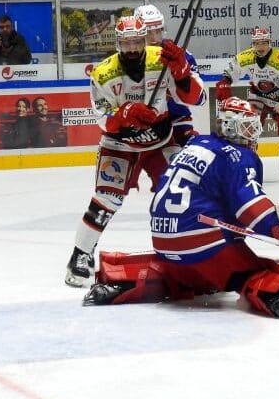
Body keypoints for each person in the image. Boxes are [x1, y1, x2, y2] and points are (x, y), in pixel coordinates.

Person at [81, 96, 279, 320]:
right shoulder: (238, 156)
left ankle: (121, 278)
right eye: (248, 128)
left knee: (189, 277)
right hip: (203, 244)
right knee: (250, 272)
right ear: (232, 127)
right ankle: (277, 296)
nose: (252, 135)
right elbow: (249, 205)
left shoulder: (195, 143)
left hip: (163, 242)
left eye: (254, 128)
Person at [65, 16, 205, 288]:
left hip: (160, 139)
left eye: (136, 41)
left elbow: (198, 99)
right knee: (106, 198)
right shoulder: (103, 73)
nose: (132, 47)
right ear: (117, 43)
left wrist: (183, 74)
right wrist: (126, 113)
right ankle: (80, 254)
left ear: (144, 39)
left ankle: (190, 250)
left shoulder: (162, 58)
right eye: (126, 42)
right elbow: (104, 120)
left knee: (180, 193)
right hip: (120, 144)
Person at [215, 26, 279, 173]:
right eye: (257, 43)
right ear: (252, 44)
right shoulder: (245, 57)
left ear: (270, 42)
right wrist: (225, 81)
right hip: (258, 96)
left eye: (264, 43)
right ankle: (249, 161)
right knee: (248, 129)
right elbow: (230, 72)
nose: (260, 47)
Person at [133, 4, 205, 147]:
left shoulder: (179, 55)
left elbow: (200, 100)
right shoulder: (129, 59)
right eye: (148, 33)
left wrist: (183, 78)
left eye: (158, 31)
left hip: (177, 122)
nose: (154, 38)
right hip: (142, 127)